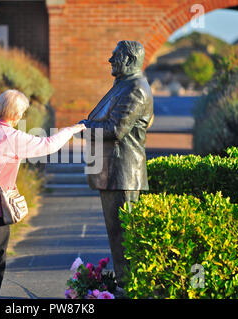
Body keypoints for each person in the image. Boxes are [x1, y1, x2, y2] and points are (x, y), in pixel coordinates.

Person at [0, 89, 86, 299]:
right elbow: (48, 145)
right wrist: (70, 130)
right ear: (16, 115)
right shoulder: (13, 137)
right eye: (22, 112)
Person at [79, 40, 154, 290]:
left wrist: (84, 128)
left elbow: (115, 129)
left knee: (124, 238)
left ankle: (128, 289)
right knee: (117, 236)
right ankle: (124, 286)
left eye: (115, 56)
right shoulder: (122, 86)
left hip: (123, 174)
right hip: (113, 172)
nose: (110, 61)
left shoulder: (135, 89)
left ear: (130, 60)